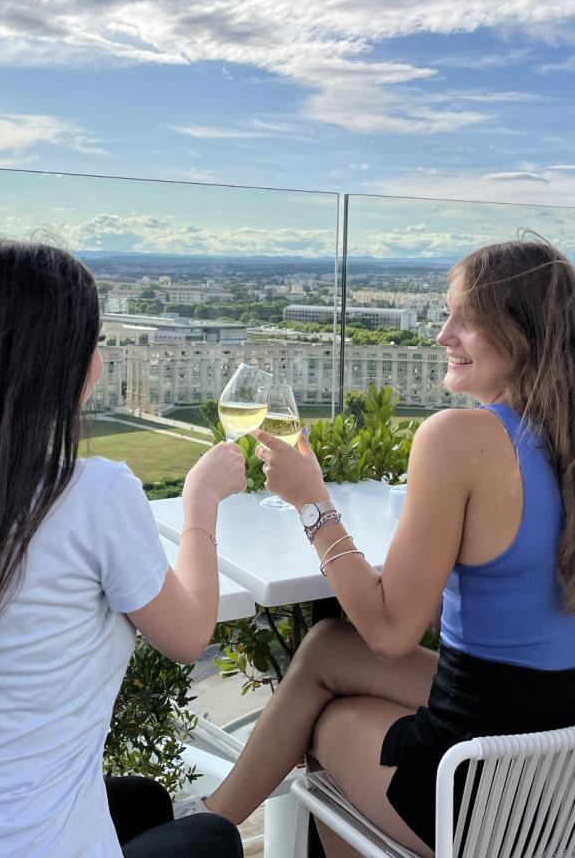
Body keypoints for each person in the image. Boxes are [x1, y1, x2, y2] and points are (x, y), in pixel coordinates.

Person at [177, 235, 575, 857]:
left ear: (521, 333)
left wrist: (313, 502)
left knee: (330, 724)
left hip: (490, 789)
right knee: (331, 646)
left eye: (464, 321)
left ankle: (196, 838)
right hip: (560, 767)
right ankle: (205, 825)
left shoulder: (459, 438)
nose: (443, 335)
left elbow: (392, 631)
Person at [0, 238, 246, 858]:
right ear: (56, 363)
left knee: (145, 801)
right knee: (212, 836)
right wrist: (201, 506)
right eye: (95, 345)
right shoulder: (89, 493)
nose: (100, 362)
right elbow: (188, 637)